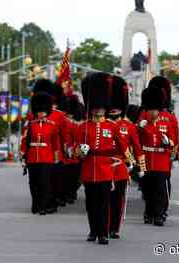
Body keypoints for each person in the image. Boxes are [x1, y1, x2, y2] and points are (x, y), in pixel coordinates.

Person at [76, 72, 130, 245]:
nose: (98, 109)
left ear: (105, 107)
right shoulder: (83, 126)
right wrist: (80, 151)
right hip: (89, 169)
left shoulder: (112, 126)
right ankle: (93, 230)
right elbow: (75, 150)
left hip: (106, 169)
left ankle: (104, 233)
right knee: (91, 204)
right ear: (91, 108)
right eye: (95, 107)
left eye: (101, 107)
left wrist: (121, 159)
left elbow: (122, 148)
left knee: (104, 203)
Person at [108, 76, 146, 239]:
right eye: (112, 106)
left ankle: (114, 228)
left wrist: (142, 167)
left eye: (118, 107)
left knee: (118, 201)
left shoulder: (128, 126)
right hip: (103, 167)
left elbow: (137, 148)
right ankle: (102, 226)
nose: (115, 109)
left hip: (121, 167)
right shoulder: (100, 124)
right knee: (103, 201)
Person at [139, 87, 174, 227]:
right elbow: (137, 142)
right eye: (150, 110)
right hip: (147, 160)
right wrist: (139, 129)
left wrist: (167, 142)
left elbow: (172, 141)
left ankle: (159, 215)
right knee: (147, 190)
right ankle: (149, 213)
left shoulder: (166, 123)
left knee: (160, 190)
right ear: (147, 110)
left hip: (161, 161)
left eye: (155, 110)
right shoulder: (143, 124)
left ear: (159, 110)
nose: (153, 112)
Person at [20, 92, 60, 215]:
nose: (41, 113)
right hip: (32, 158)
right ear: (36, 112)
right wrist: (23, 156)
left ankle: (43, 206)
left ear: (47, 112)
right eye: (39, 111)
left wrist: (56, 157)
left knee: (44, 183)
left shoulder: (52, 126)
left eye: (43, 111)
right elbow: (24, 141)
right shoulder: (31, 126)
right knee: (33, 183)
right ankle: (35, 203)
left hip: (46, 158)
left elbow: (56, 143)